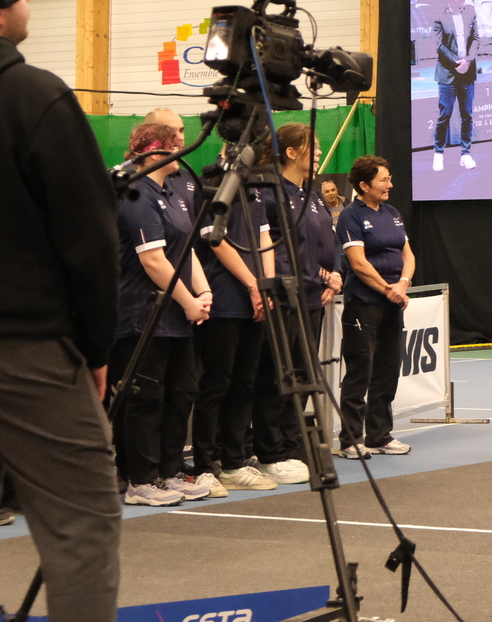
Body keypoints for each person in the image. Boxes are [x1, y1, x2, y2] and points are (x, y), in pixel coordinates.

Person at [0, 0, 124, 622]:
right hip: (24, 351)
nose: (30, 0)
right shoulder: (35, 96)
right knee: (82, 525)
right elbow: (91, 243)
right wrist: (96, 348)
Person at [109, 121, 214, 504]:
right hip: (143, 316)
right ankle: (141, 479)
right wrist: (189, 302)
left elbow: (185, 251)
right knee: (146, 398)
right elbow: (153, 260)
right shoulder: (137, 194)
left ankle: (170, 472)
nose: (183, 151)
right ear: (156, 151)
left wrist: (203, 292)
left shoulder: (172, 193)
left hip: (177, 318)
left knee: (182, 393)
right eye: (177, 144)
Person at [251, 123, 342, 483]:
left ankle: (292, 445)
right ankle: (269, 450)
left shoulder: (313, 195)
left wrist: (333, 276)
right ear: (290, 152)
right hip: (285, 299)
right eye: (311, 146)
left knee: (303, 376)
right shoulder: (269, 193)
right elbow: (273, 251)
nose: (318, 152)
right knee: (277, 377)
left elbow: (325, 243)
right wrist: (310, 278)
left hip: (313, 301)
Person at [190, 148, 275, 496]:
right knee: (216, 383)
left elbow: (265, 237)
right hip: (224, 302)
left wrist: (266, 287)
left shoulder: (256, 186)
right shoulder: (212, 181)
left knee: (244, 383)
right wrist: (252, 284)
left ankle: (234, 462)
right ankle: (204, 465)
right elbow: (215, 240)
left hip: (254, 303)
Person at [336, 155, 414, 458]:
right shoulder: (351, 216)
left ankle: (379, 436)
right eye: (384, 180)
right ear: (365, 185)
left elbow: (408, 254)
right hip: (363, 304)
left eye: (389, 178)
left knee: (387, 370)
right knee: (360, 372)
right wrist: (387, 290)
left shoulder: (392, 213)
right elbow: (358, 264)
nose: (390, 184)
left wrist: (402, 284)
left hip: (393, 304)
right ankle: (350, 440)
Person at [431, 0, 479, 172]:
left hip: (467, 73)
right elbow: (439, 45)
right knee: (445, 115)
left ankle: (465, 154)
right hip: (447, 74)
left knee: (467, 115)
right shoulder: (439, 14)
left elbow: (475, 39)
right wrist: (457, 62)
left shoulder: (471, 11)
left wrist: (467, 60)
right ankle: (438, 153)